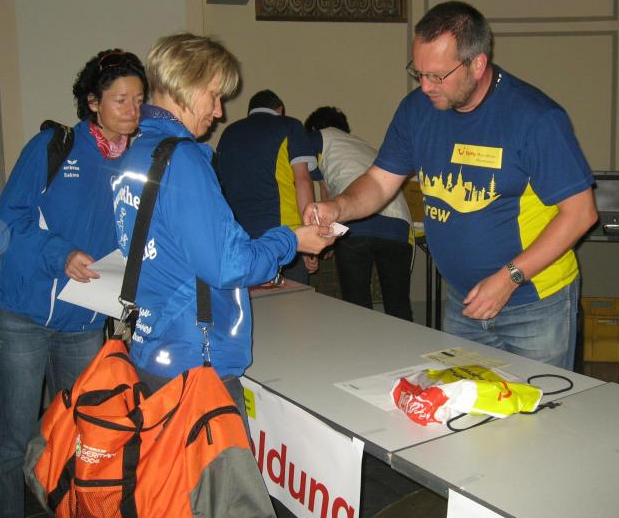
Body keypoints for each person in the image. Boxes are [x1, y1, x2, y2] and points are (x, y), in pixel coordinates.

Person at [306, 1, 598, 369]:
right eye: (419, 73)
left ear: (477, 63)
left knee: (539, 404)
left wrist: (509, 278)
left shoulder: (535, 118)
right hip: (465, 303)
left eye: (437, 76)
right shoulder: (417, 111)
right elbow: (379, 182)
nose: (425, 86)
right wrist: (338, 207)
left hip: (534, 304)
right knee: (463, 404)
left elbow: (581, 214)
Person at [112, 33, 332, 405]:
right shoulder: (183, 159)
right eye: (214, 96)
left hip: (152, 346)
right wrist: (293, 239)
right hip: (196, 361)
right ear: (187, 83)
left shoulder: (138, 153)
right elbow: (229, 264)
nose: (219, 112)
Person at [0, 49, 147, 518]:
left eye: (139, 100)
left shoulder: (139, 162)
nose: (133, 110)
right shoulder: (54, 147)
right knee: (13, 440)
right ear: (93, 102)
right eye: (121, 99)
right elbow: (6, 223)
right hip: (21, 313)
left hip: (84, 322)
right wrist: (61, 254)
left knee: (83, 438)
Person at [304, 106, 414, 321]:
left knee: (357, 307)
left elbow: (323, 196)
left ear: (315, 128)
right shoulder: (366, 145)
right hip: (399, 223)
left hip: (356, 220)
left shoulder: (318, 137)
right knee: (398, 305)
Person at [215, 89, 318, 283]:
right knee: (294, 299)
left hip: (240, 240)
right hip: (285, 236)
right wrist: (310, 235)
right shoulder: (290, 126)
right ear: (280, 110)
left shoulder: (228, 133)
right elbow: (303, 180)